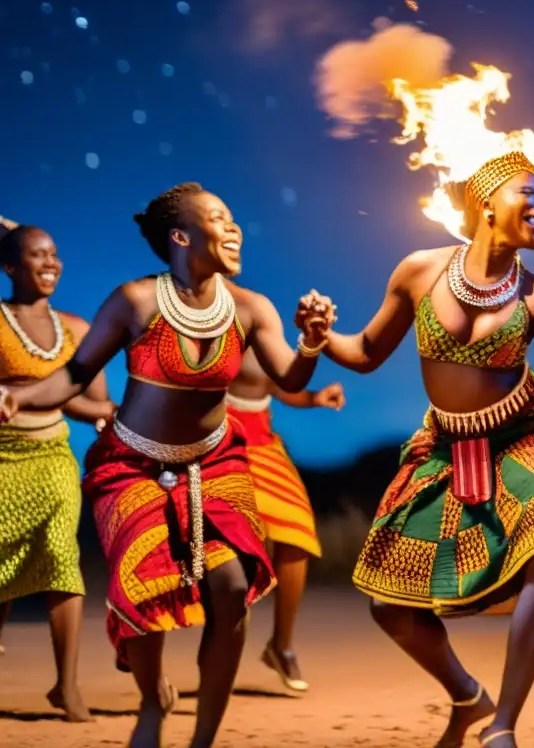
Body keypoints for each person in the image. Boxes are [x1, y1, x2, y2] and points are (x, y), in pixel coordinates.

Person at [0, 182, 335, 748]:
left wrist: (311, 342)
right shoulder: (134, 301)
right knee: (145, 588)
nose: (234, 229)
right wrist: (19, 397)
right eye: (218, 219)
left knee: (231, 589)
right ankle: (152, 699)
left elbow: (291, 377)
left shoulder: (252, 309)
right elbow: (74, 376)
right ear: (181, 236)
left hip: (217, 463)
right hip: (131, 464)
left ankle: (203, 738)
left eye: (234, 219)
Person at [313, 150, 534, 747]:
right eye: (529, 193)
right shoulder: (420, 271)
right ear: (487, 203)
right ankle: (469, 699)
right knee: (389, 605)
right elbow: (363, 351)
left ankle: (505, 726)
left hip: (523, 436)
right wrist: (319, 339)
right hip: (444, 445)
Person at [0, 223, 115, 721]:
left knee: (62, 558)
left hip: (53, 460)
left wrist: (114, 415)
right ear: (9, 268)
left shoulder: (79, 329)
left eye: (54, 254)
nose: (51, 263)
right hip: (2, 459)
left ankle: (66, 686)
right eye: (36, 255)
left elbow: (90, 404)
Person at [226, 348, 345, 691]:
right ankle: (211, 648)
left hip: (264, 447)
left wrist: (315, 397)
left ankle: (281, 646)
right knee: (230, 547)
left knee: (297, 533)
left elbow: (280, 387)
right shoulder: (211, 328)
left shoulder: (262, 327)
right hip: (220, 446)